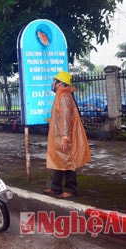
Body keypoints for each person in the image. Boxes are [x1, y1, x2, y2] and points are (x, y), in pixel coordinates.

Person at [43, 71, 91, 199]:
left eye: (54, 81)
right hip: (60, 135)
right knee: (59, 160)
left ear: (60, 84)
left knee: (68, 161)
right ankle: (55, 187)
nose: (52, 84)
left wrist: (65, 137)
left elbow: (65, 118)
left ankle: (71, 189)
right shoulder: (61, 95)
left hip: (64, 136)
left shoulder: (64, 96)